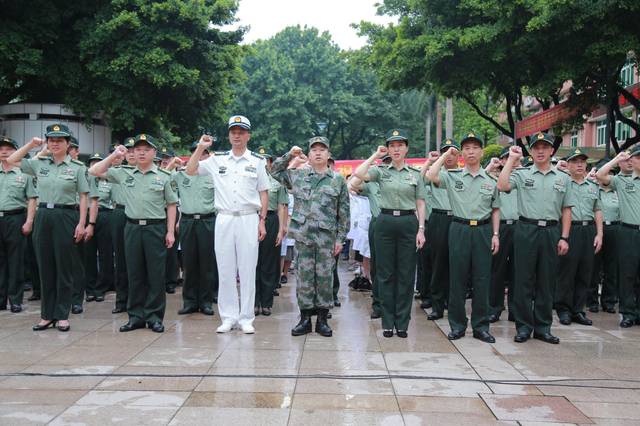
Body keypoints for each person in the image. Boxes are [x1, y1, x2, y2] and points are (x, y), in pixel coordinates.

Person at [186, 115, 269, 334]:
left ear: (248, 135)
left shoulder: (257, 162)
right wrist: (200, 147)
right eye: (233, 132)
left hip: (248, 217)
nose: (237, 135)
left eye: (241, 132)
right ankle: (228, 316)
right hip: (224, 217)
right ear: (229, 135)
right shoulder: (217, 160)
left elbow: (263, 192)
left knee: (248, 268)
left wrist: (262, 221)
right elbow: (190, 170)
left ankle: (246, 318)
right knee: (224, 268)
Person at [89, 134, 178, 333]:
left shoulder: (163, 176)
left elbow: (171, 205)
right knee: (134, 273)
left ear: (154, 153)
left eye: (146, 149)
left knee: (155, 275)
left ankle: (154, 317)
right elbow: (94, 171)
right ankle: (136, 316)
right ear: (133, 152)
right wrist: (114, 155)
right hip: (132, 227)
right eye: (137, 149)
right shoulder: (124, 173)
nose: (141, 152)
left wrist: (170, 231)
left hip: (155, 228)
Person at [8, 124, 90, 332]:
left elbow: (83, 197)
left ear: (68, 144)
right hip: (43, 215)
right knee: (45, 267)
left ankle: (62, 315)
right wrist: (31, 145)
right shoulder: (39, 164)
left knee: (64, 267)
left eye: (59, 140)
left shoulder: (78, 168)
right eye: (51, 140)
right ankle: (46, 315)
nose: (55, 143)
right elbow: (11, 160)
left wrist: (82, 223)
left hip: (66, 215)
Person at [497, 132, 575, 344]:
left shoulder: (562, 178)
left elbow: (567, 209)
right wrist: (512, 160)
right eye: (536, 147)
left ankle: (543, 327)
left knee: (547, 280)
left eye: (545, 147)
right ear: (531, 151)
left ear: (552, 151)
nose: (540, 151)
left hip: (551, 231)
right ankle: (523, 327)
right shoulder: (522, 174)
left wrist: (564, 237)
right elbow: (502, 185)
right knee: (523, 280)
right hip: (526, 229)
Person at [270, 136, 349, 337]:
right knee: (304, 279)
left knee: (324, 278)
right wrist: (291, 154)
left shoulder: (338, 180)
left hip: (326, 239)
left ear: (329, 155)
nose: (318, 152)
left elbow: (344, 213)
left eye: (323, 149)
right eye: (314, 150)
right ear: (309, 154)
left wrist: (340, 239)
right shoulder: (298, 176)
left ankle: (322, 320)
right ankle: (305, 319)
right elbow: (274, 171)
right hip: (304, 237)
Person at [427, 132, 500, 343]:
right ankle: (457, 325)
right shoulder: (453, 176)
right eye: (466, 148)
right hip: (459, 228)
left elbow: (496, 209)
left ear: (481, 152)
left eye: (475, 148)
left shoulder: (490, 180)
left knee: (482, 279)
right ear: (461, 153)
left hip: (484, 231)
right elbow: (431, 175)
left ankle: (481, 327)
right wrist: (445, 155)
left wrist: (495, 235)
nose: (470, 152)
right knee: (457, 279)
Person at [354, 129, 426, 338]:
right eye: (392, 146)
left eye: (400, 145)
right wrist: (375, 155)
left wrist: (421, 229)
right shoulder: (381, 171)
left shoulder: (415, 174)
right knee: (384, 273)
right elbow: (359, 174)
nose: (396, 149)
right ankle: (387, 321)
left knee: (405, 274)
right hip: (384, 221)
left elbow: (420, 203)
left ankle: (402, 322)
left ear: (406, 149)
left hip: (407, 222)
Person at [553, 149, 603, 326]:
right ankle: (563, 309)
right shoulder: (562, 183)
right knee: (567, 272)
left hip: (588, 230)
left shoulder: (593, 186)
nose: (580, 165)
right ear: (568, 165)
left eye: (582, 161)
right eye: (575, 162)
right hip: (569, 230)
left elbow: (597, 210)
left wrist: (599, 234)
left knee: (585, 271)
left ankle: (578, 310)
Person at [171, 141, 218, 316]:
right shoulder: (182, 175)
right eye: (196, 153)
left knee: (207, 263)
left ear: (208, 156)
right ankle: (189, 301)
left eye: (204, 154)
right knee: (189, 263)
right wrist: (172, 165)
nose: (200, 157)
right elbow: (164, 182)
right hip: (188, 221)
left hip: (207, 221)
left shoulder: (213, 176)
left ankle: (206, 302)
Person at [595, 146, 640, 328]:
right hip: (628, 231)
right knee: (627, 273)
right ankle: (628, 313)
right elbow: (600, 175)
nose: (634, 160)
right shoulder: (622, 180)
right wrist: (616, 159)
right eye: (636, 157)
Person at [421, 139, 459, 321]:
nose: (449, 156)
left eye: (452, 152)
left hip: (459, 219)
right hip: (438, 219)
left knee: (456, 265)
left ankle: (452, 304)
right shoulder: (437, 173)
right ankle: (437, 305)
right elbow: (422, 179)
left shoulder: (463, 174)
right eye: (446, 152)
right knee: (437, 263)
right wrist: (432, 160)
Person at [0, 137, 37, 313]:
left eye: (9, 148)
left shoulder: (24, 173)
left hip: (15, 218)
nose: (4, 151)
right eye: (1, 149)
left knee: (16, 261)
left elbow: (31, 199)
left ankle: (15, 299)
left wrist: (29, 221)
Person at [485, 148, 520, 322]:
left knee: (518, 270)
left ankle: (515, 309)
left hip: (521, 226)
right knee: (497, 269)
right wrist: (491, 166)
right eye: (507, 158)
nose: (511, 161)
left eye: (513, 158)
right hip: (501, 227)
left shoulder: (523, 177)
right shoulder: (493, 179)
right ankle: (495, 307)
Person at [255, 150, 288, 316]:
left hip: (272, 219)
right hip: (252, 220)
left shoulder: (276, 181)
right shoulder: (250, 179)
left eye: (266, 161)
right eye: (260, 161)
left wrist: (281, 229)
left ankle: (266, 302)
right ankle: (254, 302)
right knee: (252, 263)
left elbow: (282, 206)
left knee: (268, 264)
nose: (263, 164)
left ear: (270, 163)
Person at [588, 160, 619, 313]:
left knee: (611, 267)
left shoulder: (617, 191)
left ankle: (609, 301)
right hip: (596, 230)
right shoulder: (593, 189)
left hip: (614, 229)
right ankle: (592, 300)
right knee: (593, 267)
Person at [83, 153, 115, 303]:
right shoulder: (84, 180)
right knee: (88, 254)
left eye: (98, 162)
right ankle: (89, 288)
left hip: (106, 216)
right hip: (88, 215)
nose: (95, 165)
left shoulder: (109, 180)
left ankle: (101, 287)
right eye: (92, 162)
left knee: (105, 254)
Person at [111, 138, 134, 314]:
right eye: (129, 151)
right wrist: (114, 154)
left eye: (136, 150)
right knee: (121, 258)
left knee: (138, 260)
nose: (133, 154)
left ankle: (137, 299)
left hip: (141, 216)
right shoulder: (117, 172)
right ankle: (122, 299)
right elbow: (94, 171)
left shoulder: (151, 172)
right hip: (120, 214)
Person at [160, 146, 179, 294]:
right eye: (163, 158)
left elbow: (182, 197)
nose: (165, 160)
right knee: (158, 247)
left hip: (173, 211)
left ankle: (171, 280)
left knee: (171, 248)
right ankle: (160, 279)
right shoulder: (157, 172)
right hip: (158, 213)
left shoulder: (178, 174)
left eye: (168, 158)